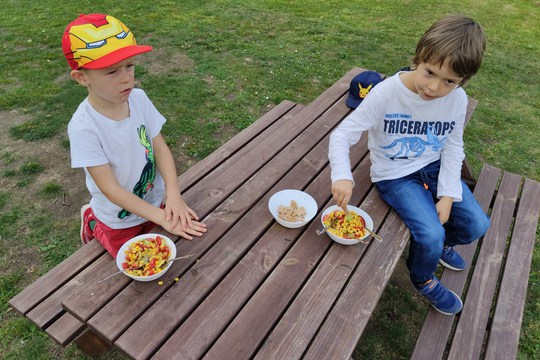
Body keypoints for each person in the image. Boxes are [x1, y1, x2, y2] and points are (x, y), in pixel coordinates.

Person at [328, 15, 490, 315]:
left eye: (449, 82)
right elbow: (342, 135)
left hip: (434, 166)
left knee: (478, 225)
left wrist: (447, 194)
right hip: (395, 176)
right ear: (419, 58)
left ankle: (434, 251)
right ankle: (422, 276)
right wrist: (342, 175)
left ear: (463, 81)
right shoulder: (387, 92)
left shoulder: (457, 100)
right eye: (429, 72)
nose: (434, 87)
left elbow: (454, 146)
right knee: (430, 233)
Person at [62, 13, 206, 258]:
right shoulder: (83, 127)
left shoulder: (138, 99)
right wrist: (162, 217)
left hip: (153, 201)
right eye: (112, 72)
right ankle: (92, 220)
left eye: (130, 65)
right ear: (81, 77)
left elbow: (159, 147)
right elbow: (110, 189)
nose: (127, 77)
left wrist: (173, 194)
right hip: (117, 217)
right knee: (133, 259)